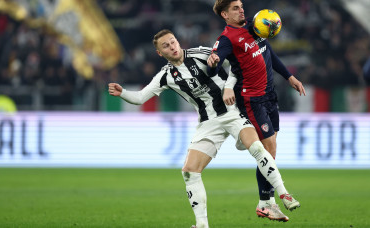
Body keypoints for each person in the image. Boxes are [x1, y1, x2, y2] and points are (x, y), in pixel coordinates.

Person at [108, 29, 300, 228]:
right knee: (189, 171)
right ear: (159, 53)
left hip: (233, 111)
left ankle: (283, 193)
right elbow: (140, 98)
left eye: (173, 41)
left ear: (178, 41)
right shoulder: (165, 76)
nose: (172, 47)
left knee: (257, 148)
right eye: (165, 46)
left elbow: (237, 64)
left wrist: (228, 87)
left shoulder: (202, 53)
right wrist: (123, 93)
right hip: (209, 123)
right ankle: (201, 225)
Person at [207, 0, 305, 222]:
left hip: (270, 96)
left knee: (270, 152)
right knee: (268, 148)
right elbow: (215, 61)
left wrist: (289, 76)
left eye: (241, 6)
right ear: (225, 15)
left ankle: (265, 202)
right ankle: (267, 203)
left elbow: (268, 52)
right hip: (252, 100)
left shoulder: (255, 25)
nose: (241, 9)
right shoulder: (226, 39)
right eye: (235, 8)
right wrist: (213, 62)